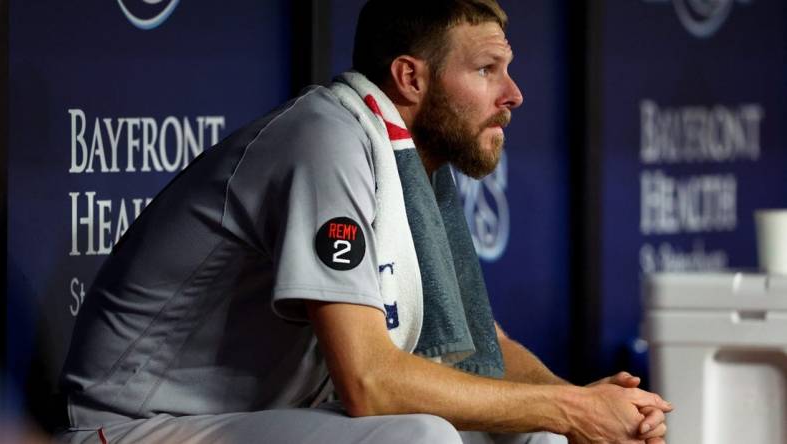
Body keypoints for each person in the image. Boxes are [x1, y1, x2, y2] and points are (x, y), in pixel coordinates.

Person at [57, 1, 672, 443]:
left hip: (258, 416)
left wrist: (588, 408)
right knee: (419, 438)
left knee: (534, 438)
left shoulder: (412, 158)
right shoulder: (328, 139)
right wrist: (569, 407)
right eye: (487, 70)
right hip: (137, 424)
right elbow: (369, 384)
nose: (513, 94)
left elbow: (484, 350)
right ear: (411, 77)